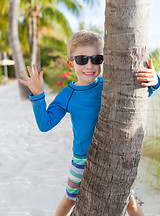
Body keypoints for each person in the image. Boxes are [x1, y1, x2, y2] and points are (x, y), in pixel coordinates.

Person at [18, 30, 160, 216]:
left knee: (129, 202)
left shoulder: (108, 85)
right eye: (82, 59)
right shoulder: (67, 95)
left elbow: (135, 101)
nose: (90, 65)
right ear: (70, 63)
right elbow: (45, 124)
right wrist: (38, 95)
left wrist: (155, 81)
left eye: (96, 59)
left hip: (113, 156)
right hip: (81, 159)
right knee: (69, 199)